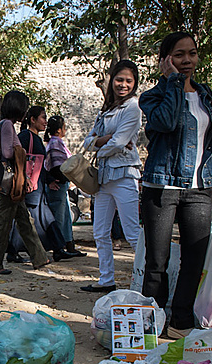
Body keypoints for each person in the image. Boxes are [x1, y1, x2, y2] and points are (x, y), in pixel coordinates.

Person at [138, 32, 212, 337]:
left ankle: (180, 320)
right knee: (157, 261)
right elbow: (165, 122)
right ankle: (152, 323)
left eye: (192, 53)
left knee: (195, 259)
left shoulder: (207, 97)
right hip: (162, 187)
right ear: (165, 60)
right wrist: (174, 82)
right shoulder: (152, 97)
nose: (187, 60)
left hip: (200, 190)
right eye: (179, 55)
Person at [80, 60, 143, 293]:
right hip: (104, 178)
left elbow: (117, 143)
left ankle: (144, 280)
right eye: (119, 79)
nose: (123, 85)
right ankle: (106, 279)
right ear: (111, 80)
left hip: (125, 175)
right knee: (100, 232)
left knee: (132, 233)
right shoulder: (106, 109)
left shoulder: (133, 107)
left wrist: (103, 143)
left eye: (128, 80)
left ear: (135, 83)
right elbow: (89, 142)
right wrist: (105, 141)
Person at [0, 90, 50, 275]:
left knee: (24, 220)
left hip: (12, 181)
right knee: (3, 223)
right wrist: (19, 150)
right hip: (10, 182)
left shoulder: (6, 125)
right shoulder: (6, 126)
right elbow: (6, 152)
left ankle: (39, 257)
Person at [16, 106, 72, 261]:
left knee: (41, 219)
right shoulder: (26, 137)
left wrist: (49, 180)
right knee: (35, 220)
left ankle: (57, 248)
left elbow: (40, 167)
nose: (45, 122)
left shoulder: (36, 139)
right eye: (42, 118)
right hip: (31, 187)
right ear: (32, 120)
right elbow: (20, 160)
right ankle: (57, 248)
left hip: (37, 186)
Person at [44, 115, 86, 258]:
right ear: (59, 130)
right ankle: (59, 248)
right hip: (58, 185)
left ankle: (69, 245)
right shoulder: (55, 143)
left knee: (66, 216)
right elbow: (58, 167)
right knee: (59, 218)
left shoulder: (56, 143)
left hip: (62, 185)